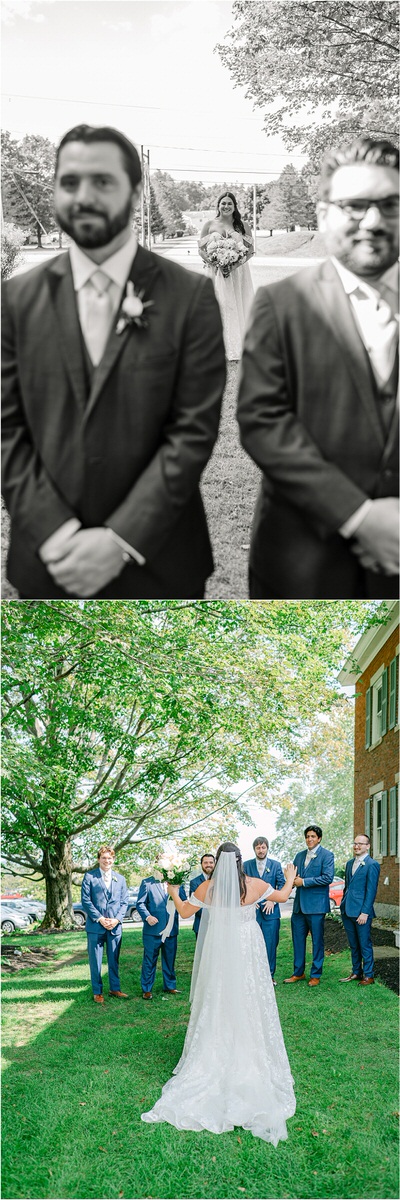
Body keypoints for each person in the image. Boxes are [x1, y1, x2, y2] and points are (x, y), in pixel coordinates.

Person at [2, 124, 226, 600]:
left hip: (161, 561)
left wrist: (121, 539)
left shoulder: (191, 297)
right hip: (48, 563)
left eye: (102, 181)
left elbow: (192, 431)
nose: (84, 196)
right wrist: (57, 532)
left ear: (136, 191)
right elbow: (6, 430)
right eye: (69, 182)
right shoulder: (15, 300)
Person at [237, 137, 399, 599]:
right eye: (354, 206)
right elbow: (263, 422)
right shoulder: (280, 304)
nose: (373, 220)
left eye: (390, 204)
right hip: (303, 567)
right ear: (323, 213)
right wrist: (360, 517)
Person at [141, 842, 297, 1143]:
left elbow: (185, 911)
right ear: (239, 861)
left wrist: (174, 889)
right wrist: (289, 876)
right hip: (248, 947)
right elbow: (282, 895)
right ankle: (248, 1045)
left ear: (219, 862)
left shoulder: (207, 888)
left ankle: (216, 1046)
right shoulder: (253, 884)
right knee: (250, 997)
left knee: (219, 997)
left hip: (221, 950)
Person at [198, 192, 254, 360]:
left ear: (235, 206)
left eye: (230, 203)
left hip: (238, 272)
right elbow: (201, 249)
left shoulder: (243, 225)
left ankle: (238, 345)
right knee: (218, 304)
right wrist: (215, 263)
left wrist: (234, 265)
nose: (226, 206)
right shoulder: (209, 224)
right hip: (215, 272)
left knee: (237, 303)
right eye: (223, 203)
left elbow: (250, 251)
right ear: (218, 205)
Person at [285, 825, 334, 987]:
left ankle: (315, 974)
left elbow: (327, 878)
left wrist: (304, 882)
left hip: (316, 907)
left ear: (319, 838)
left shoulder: (327, 855)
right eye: (307, 836)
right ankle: (298, 972)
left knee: (317, 942)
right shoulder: (299, 856)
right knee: (298, 941)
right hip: (299, 907)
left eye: (313, 836)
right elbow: (294, 877)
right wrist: (290, 880)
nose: (310, 839)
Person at [81, 845, 129, 1003]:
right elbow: (86, 901)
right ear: (98, 859)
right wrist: (100, 918)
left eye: (110, 858)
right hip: (96, 926)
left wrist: (116, 920)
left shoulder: (120, 879)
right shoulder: (90, 877)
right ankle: (97, 991)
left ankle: (115, 988)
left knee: (114, 958)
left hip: (115, 926)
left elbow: (124, 902)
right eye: (104, 858)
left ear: (113, 859)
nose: (107, 861)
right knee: (95, 960)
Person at [136, 871, 187, 999]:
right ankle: (147, 989)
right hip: (152, 929)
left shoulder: (177, 882)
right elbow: (140, 903)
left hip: (171, 929)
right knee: (149, 960)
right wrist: (147, 917)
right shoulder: (147, 882)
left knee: (170, 959)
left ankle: (170, 986)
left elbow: (183, 901)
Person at [243, 836, 286, 984]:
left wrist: (272, 900)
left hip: (271, 913)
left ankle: (269, 976)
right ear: (254, 849)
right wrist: (249, 901)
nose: (261, 850)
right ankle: (252, 976)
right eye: (258, 848)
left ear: (267, 848)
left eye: (263, 847)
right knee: (251, 945)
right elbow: (242, 885)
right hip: (251, 913)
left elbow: (281, 884)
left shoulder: (275, 865)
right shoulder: (246, 865)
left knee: (270, 944)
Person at [339, 834, 380, 985]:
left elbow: (371, 891)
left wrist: (365, 912)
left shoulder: (372, 864)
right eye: (355, 843)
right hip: (347, 910)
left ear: (368, 846)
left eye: (360, 844)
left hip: (362, 912)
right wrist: (342, 904)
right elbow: (347, 887)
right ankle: (356, 972)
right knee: (353, 944)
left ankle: (368, 975)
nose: (357, 846)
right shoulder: (350, 863)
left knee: (364, 944)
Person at [189, 853, 215, 938]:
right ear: (201, 864)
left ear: (215, 864)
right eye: (206, 863)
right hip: (201, 924)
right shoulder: (194, 882)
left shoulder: (220, 881)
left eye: (211, 862)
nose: (208, 865)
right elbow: (195, 904)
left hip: (219, 924)